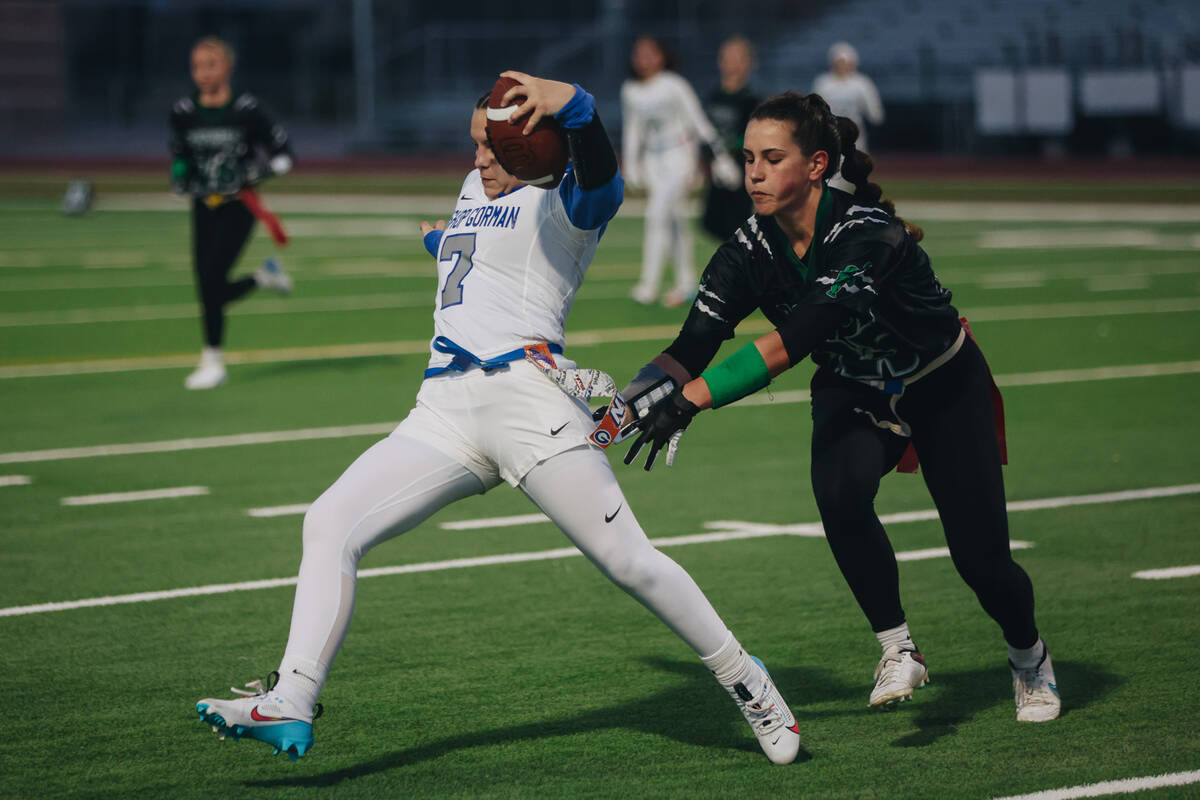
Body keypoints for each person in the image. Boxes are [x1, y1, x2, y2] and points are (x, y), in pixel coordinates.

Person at [194, 72, 801, 766]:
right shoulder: (475, 189)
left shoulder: (567, 201)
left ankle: (747, 680)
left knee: (629, 562)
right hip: (444, 410)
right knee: (328, 522)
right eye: (477, 142)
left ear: (534, 144)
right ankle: (292, 699)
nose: (480, 156)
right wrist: (439, 244)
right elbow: (476, 258)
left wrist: (577, 107)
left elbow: (601, 176)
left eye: (495, 142)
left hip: (528, 400)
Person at [614, 91, 1061, 723]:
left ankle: (1028, 656)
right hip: (855, 384)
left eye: (773, 158)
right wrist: (631, 399)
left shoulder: (867, 234)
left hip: (941, 382)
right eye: (747, 159)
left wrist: (688, 402)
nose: (755, 173)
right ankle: (898, 649)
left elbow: (796, 339)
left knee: (981, 562)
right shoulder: (746, 247)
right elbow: (692, 344)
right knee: (840, 494)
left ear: (818, 165)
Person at [169, 36, 295, 390]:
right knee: (206, 285)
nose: (203, 73)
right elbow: (180, 155)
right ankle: (262, 278)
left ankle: (213, 359)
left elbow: (285, 153)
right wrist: (179, 178)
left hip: (239, 205)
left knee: (211, 280)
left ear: (227, 68)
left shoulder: (246, 109)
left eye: (210, 65)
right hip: (203, 206)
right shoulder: (183, 112)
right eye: (196, 66)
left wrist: (258, 173)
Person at [621, 36, 742, 308]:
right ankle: (686, 282)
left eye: (649, 53)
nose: (643, 59)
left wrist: (720, 157)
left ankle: (648, 285)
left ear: (662, 56)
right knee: (674, 219)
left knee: (656, 213)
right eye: (638, 53)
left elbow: (698, 120)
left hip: (679, 155)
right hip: (654, 160)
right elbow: (632, 129)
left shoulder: (674, 85)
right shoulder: (630, 90)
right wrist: (632, 163)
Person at [701, 36, 760, 241]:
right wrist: (712, 159)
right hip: (717, 172)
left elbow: (751, 138)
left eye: (737, 57)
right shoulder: (712, 98)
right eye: (726, 56)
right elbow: (704, 133)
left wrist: (735, 159)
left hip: (740, 174)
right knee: (713, 225)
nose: (730, 62)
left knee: (740, 228)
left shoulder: (752, 101)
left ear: (749, 63)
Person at [812, 41, 884, 153]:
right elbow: (815, 109)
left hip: (854, 134)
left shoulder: (862, 83)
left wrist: (874, 115)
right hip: (830, 134)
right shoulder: (823, 83)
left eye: (845, 62)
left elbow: (875, 113)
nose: (842, 66)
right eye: (839, 62)